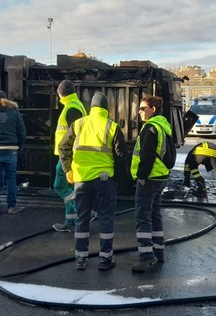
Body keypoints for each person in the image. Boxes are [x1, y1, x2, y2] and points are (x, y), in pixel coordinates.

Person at [58, 92, 127, 271]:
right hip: (105, 179)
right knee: (106, 217)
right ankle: (105, 258)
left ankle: (80, 258)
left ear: (92, 108)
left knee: (82, 218)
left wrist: (68, 170)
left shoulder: (79, 123)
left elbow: (63, 146)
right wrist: (118, 179)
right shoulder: (112, 126)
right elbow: (121, 156)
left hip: (81, 178)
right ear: (106, 108)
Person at [131, 96, 173, 273]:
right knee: (155, 215)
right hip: (161, 176)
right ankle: (159, 252)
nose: (139, 111)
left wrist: (141, 175)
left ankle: (146, 256)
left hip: (149, 178)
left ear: (153, 109)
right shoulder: (164, 126)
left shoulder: (150, 128)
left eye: (143, 108)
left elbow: (146, 155)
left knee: (143, 216)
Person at [52, 80, 87, 231]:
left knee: (59, 186)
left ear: (61, 93)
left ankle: (83, 211)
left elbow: (74, 135)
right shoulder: (76, 105)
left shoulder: (71, 108)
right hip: (70, 154)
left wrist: (66, 155)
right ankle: (70, 223)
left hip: (67, 155)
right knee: (70, 189)